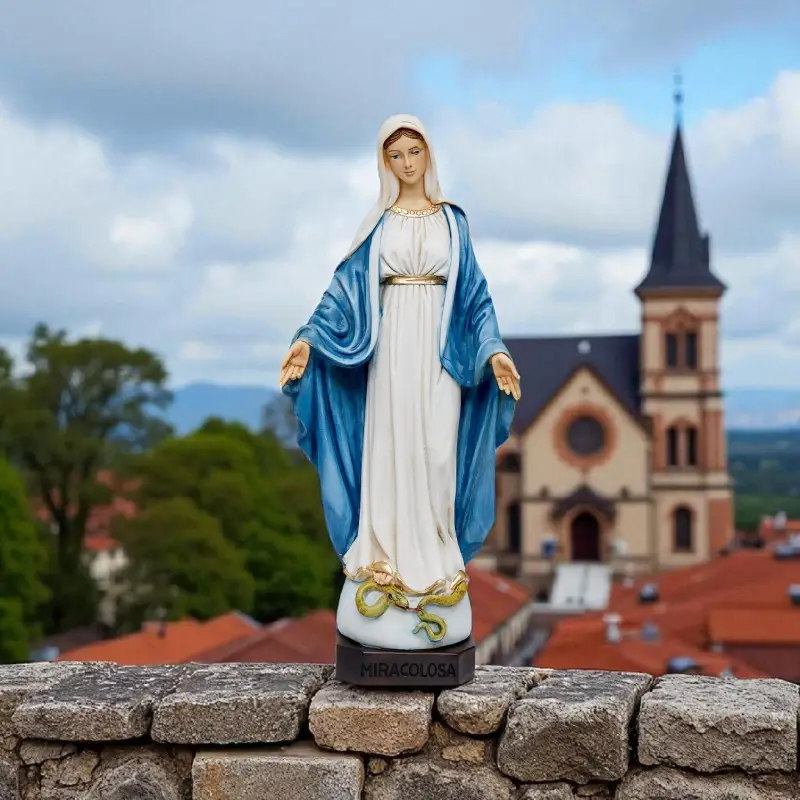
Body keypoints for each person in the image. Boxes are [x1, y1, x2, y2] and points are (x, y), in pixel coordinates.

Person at [280, 114, 520, 650]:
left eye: (414, 152)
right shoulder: (379, 225)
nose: (406, 163)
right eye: (396, 155)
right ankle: (383, 565)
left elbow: (476, 297)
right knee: (389, 452)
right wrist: (308, 339)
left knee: (437, 454)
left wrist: (494, 350)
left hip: (441, 351)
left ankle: (436, 565)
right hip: (390, 352)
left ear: (428, 154)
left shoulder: (452, 222)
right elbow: (342, 293)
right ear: (383, 162)